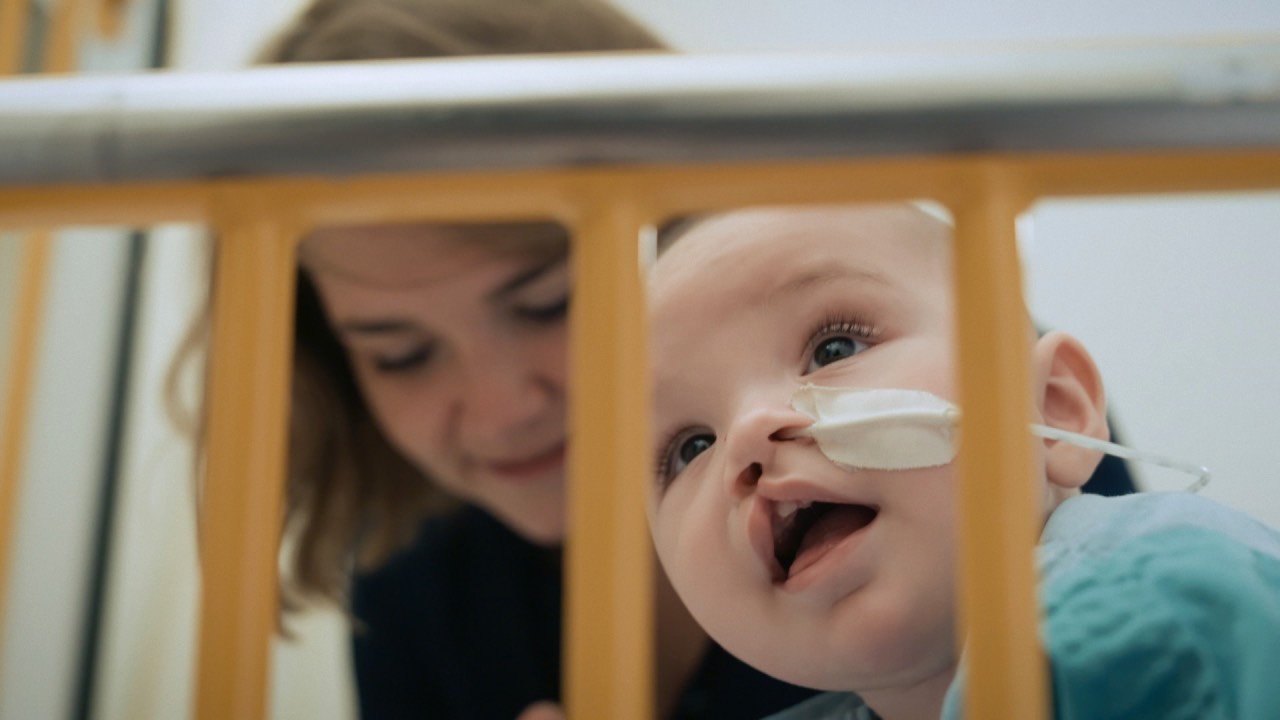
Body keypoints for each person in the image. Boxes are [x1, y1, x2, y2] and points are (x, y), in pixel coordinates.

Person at [252, 0, 819, 718]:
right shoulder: (414, 576)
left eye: (549, 304)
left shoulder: (882, 498)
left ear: (691, 230)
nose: (501, 411)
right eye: (399, 355)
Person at [646, 204, 1280, 720]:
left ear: (1054, 410)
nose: (748, 437)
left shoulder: (1139, 609)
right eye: (690, 448)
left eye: (833, 347)